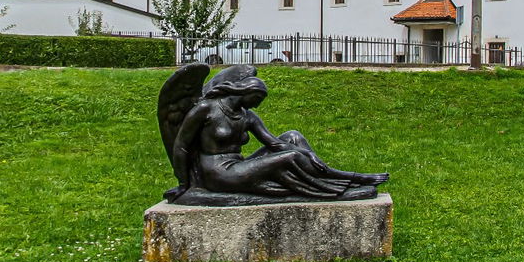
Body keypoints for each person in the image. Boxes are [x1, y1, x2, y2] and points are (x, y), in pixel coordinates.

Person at [166, 65, 387, 203]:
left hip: (240, 166)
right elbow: (181, 146)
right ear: (246, 92)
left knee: (293, 137)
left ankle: (334, 179)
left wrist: (308, 154)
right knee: (290, 157)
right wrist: (184, 184)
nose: (257, 105)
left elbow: (275, 144)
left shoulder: (247, 115)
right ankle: (347, 181)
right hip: (218, 174)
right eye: (257, 100)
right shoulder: (207, 109)